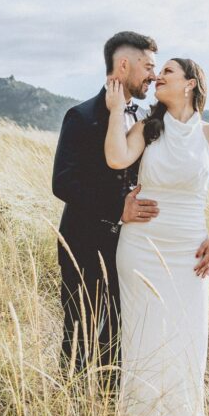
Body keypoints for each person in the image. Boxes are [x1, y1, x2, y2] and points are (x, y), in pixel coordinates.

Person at [104, 57, 209, 416]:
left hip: (190, 252)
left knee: (186, 334)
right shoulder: (148, 128)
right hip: (142, 247)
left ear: (191, 84)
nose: (159, 76)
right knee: (143, 335)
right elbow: (117, 158)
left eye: (169, 72)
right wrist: (114, 114)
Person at [51, 31, 160, 378]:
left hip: (128, 246)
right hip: (82, 242)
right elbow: (63, 182)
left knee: (118, 327)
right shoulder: (81, 116)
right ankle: (73, 406)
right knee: (81, 329)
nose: (153, 76)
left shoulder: (145, 118)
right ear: (123, 65)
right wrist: (117, 209)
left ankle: (111, 405)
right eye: (148, 66)